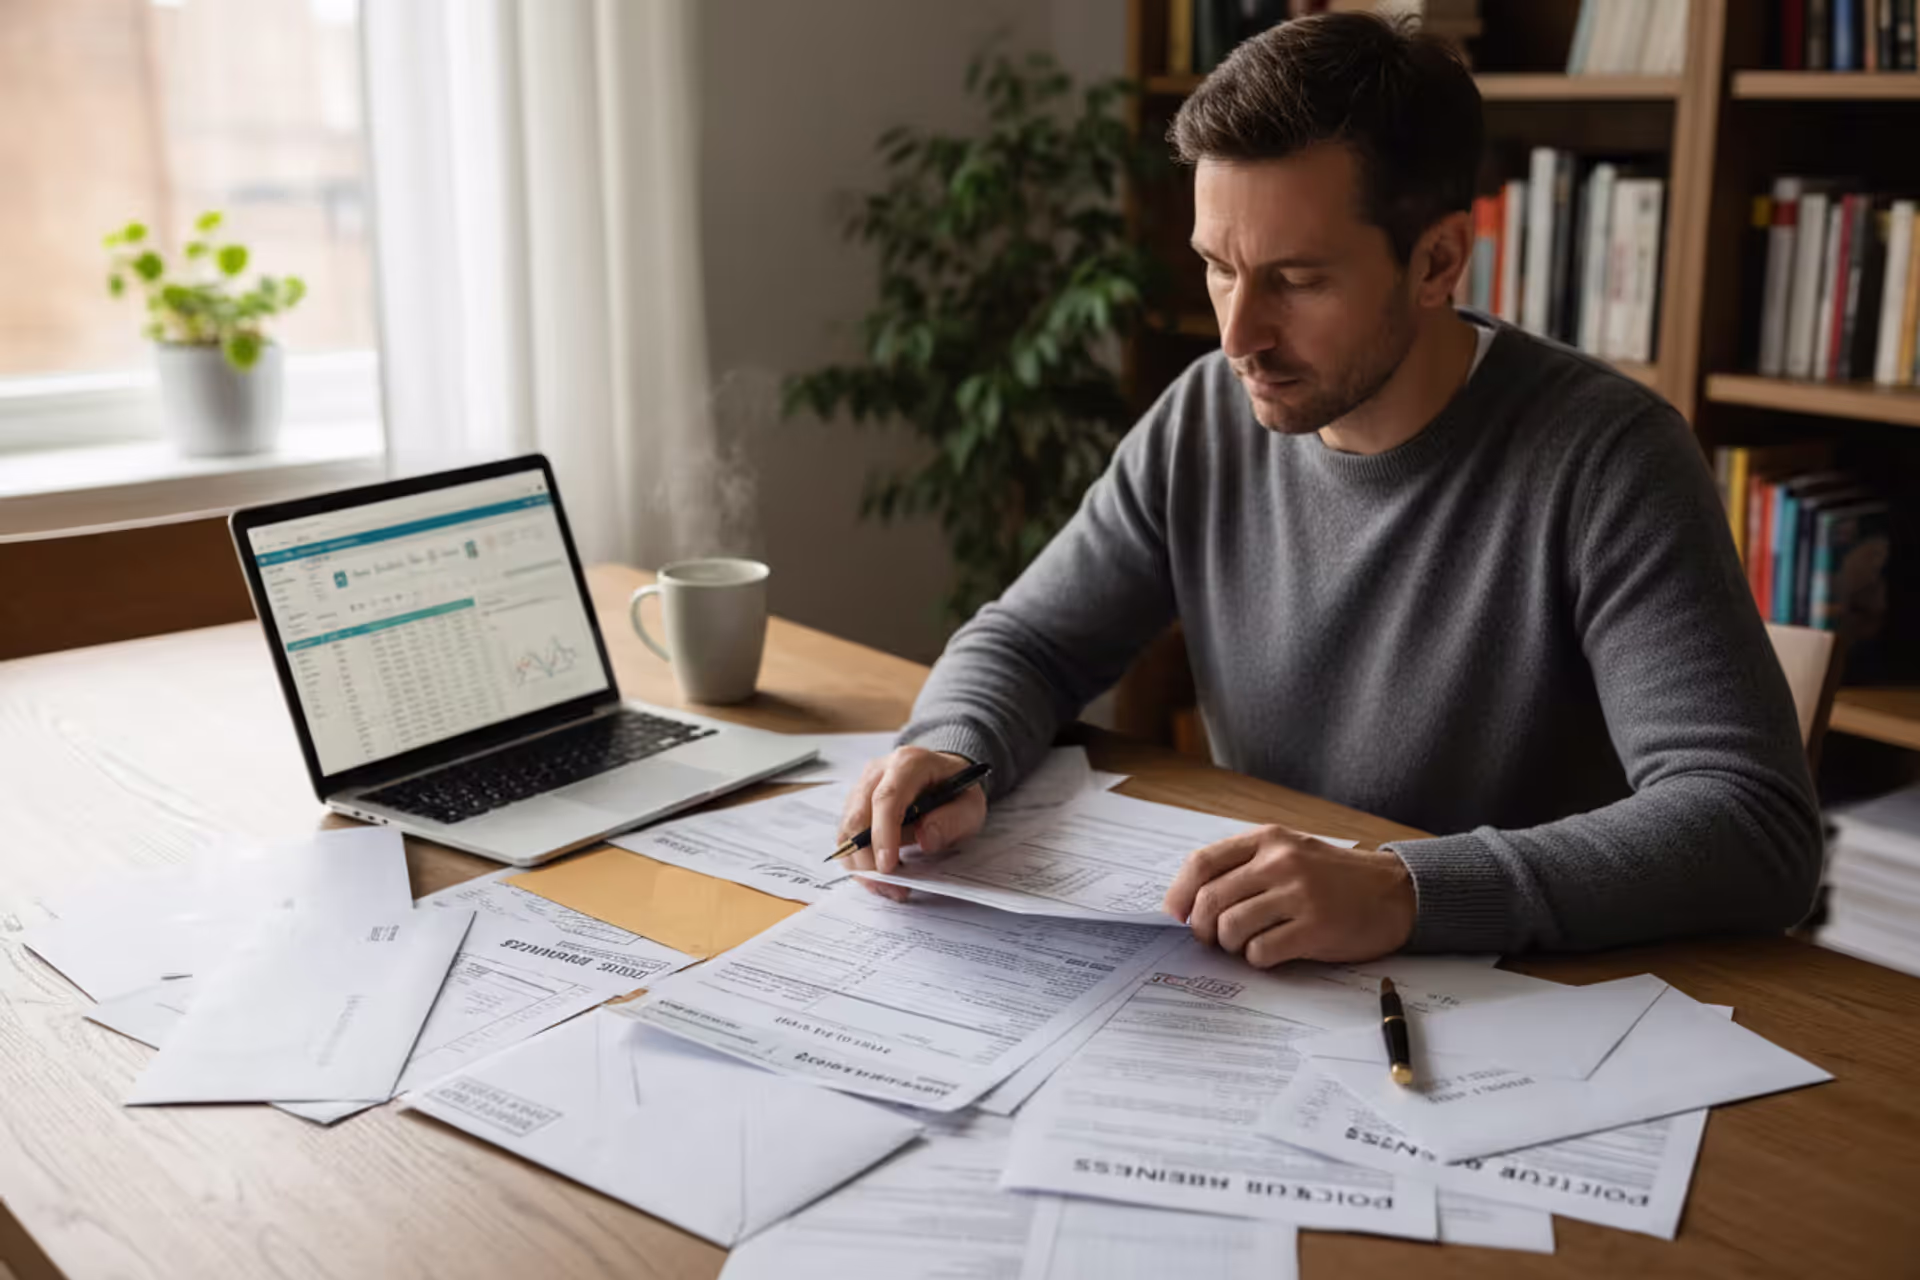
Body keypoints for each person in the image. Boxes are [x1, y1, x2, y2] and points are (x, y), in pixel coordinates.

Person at [836, 12, 1821, 965]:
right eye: (1219, 268)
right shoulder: (1205, 419)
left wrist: (1409, 887)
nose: (1238, 337)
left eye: (1297, 280)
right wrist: (954, 747)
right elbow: (1032, 640)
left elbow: (1751, 823)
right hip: (1262, 978)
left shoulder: (1610, 458)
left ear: (1437, 260)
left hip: (1526, 1014)